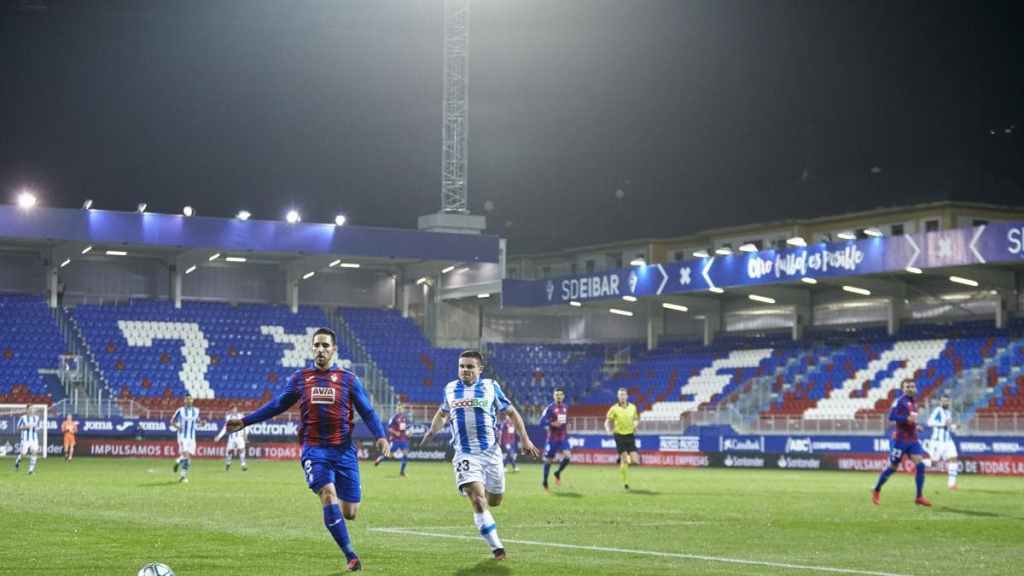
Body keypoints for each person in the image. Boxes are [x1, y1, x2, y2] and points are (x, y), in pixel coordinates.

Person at [226, 327, 389, 573]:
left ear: (334, 350)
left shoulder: (348, 379)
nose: (321, 349)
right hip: (314, 450)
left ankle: (346, 532)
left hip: (344, 451)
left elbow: (367, 411)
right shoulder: (301, 379)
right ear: (312, 348)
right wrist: (246, 421)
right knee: (327, 493)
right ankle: (351, 556)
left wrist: (380, 436)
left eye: (325, 345)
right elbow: (277, 405)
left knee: (350, 512)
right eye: (317, 345)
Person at [420, 350, 539, 561]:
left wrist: (525, 439)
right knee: (477, 500)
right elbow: (442, 412)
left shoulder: (490, 387)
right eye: (462, 366)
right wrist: (432, 431)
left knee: (495, 501)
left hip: (491, 453)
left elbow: (512, 413)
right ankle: (497, 548)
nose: (464, 370)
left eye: (470, 366)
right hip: (464, 454)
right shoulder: (450, 389)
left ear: (480, 369)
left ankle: (485, 495)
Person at [873, 379, 931, 507]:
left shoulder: (914, 402)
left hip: (913, 439)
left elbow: (910, 420)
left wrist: (916, 426)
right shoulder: (899, 401)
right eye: (907, 386)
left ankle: (919, 497)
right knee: (893, 468)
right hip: (900, 440)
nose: (911, 388)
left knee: (920, 466)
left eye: (912, 385)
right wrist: (906, 418)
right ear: (903, 389)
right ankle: (877, 489)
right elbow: (891, 417)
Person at [605, 387, 640, 490]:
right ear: (618, 396)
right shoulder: (614, 408)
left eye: (624, 394)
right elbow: (607, 421)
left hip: (630, 435)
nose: (622, 397)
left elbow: (636, 419)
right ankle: (625, 483)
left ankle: (621, 458)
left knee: (635, 461)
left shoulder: (633, 407)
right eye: (620, 395)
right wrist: (608, 429)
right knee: (625, 460)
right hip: (619, 435)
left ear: (627, 396)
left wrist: (635, 425)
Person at [924, 395, 959, 490]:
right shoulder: (938, 410)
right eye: (943, 401)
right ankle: (918, 463)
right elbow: (929, 422)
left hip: (948, 440)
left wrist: (954, 427)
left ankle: (951, 485)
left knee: (953, 459)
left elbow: (948, 426)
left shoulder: (948, 413)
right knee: (933, 463)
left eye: (946, 401)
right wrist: (942, 424)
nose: (945, 402)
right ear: (940, 402)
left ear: (949, 402)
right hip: (937, 441)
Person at [540, 388, 571, 490]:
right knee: (548, 461)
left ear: (563, 396)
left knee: (567, 456)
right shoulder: (550, 408)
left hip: (563, 437)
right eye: (556, 395)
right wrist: (552, 423)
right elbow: (541, 422)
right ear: (554, 396)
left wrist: (567, 426)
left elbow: (564, 421)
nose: (558, 396)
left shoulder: (566, 407)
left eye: (560, 395)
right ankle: (545, 481)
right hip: (552, 438)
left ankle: (557, 473)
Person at [169, 392, 201, 483]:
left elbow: (198, 421)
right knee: (187, 457)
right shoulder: (180, 410)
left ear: (192, 400)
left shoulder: (196, 411)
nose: (189, 400)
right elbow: (172, 422)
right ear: (184, 400)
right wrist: (178, 427)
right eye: (187, 399)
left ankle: (178, 461)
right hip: (183, 437)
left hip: (192, 437)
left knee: (188, 457)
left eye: (190, 399)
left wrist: (202, 423)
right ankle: (182, 477)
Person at [374, 404, 410, 476]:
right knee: (389, 453)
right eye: (399, 408)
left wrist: (408, 432)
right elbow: (389, 428)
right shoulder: (393, 418)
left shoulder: (404, 418)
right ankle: (380, 459)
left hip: (403, 439)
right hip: (395, 439)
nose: (400, 409)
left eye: (401, 408)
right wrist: (395, 432)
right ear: (396, 409)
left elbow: (404, 429)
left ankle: (402, 472)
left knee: (405, 454)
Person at [215, 405, 248, 472]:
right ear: (231, 410)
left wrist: (246, 435)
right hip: (231, 437)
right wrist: (219, 436)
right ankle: (228, 464)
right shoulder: (228, 417)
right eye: (232, 409)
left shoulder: (241, 416)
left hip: (239, 437)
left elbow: (245, 426)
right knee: (229, 452)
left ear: (236, 409)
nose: (234, 410)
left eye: (235, 409)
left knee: (242, 450)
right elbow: (225, 428)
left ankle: (243, 465)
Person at [14, 410, 41, 474]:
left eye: (32, 409)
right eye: (30, 409)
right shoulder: (23, 418)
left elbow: (39, 426)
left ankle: (30, 470)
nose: (31, 411)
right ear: (27, 410)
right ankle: (18, 460)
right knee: (24, 453)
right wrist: (26, 427)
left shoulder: (36, 418)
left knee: (34, 453)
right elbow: (17, 427)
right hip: (25, 439)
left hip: (34, 439)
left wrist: (37, 427)